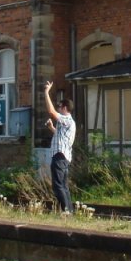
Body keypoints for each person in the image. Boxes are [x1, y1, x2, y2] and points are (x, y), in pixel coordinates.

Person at [44, 80, 76, 214]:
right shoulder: (68, 123)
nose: (58, 108)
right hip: (63, 157)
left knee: (58, 185)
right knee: (63, 186)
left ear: (64, 108)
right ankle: (70, 211)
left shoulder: (67, 120)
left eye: (59, 106)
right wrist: (51, 128)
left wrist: (46, 92)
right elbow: (61, 137)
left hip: (59, 156)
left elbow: (51, 111)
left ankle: (66, 211)